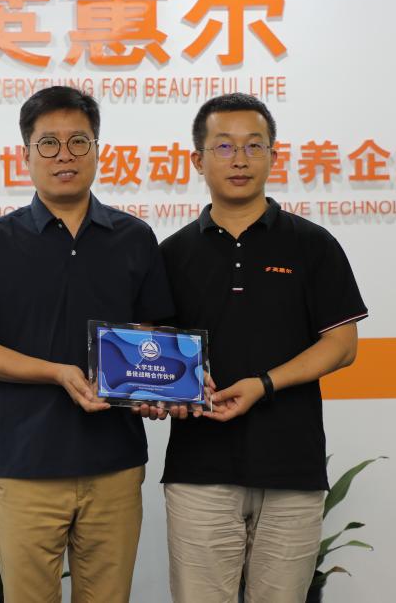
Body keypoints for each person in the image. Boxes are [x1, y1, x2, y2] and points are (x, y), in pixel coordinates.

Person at [0, 85, 174, 603]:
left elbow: (150, 341)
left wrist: (157, 389)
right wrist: (57, 372)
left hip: (114, 463)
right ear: (26, 155)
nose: (65, 155)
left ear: (98, 150)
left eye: (79, 141)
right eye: (49, 143)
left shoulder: (134, 238)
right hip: (27, 466)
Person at [157, 93, 368, 603]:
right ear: (197, 160)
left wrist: (264, 384)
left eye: (254, 146)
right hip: (200, 470)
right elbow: (155, 354)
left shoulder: (313, 244)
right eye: (224, 146)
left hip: (291, 467)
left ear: (273, 156)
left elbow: (342, 345)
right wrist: (166, 389)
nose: (240, 159)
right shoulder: (169, 254)